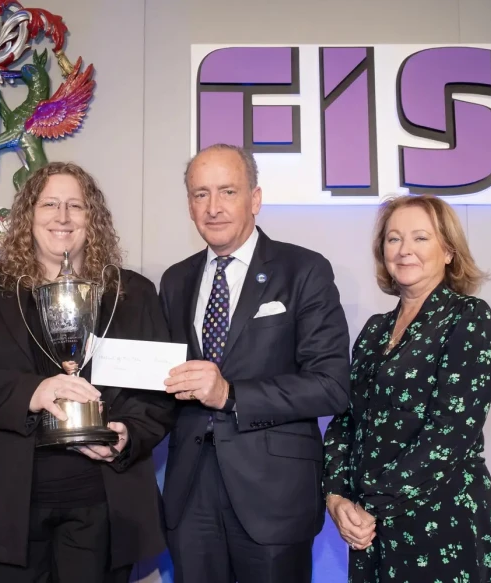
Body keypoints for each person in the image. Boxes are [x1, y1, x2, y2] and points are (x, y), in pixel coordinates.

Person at [0, 162, 176, 583]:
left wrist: (129, 435)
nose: (62, 216)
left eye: (76, 205)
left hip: (103, 506)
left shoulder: (132, 293)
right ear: (28, 214)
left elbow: (159, 393)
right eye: (49, 204)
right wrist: (31, 392)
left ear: (93, 218)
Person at [159, 143, 351, 583]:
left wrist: (231, 395)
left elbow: (332, 385)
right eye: (201, 194)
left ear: (255, 199)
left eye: (227, 191)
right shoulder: (175, 280)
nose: (213, 207)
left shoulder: (304, 270)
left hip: (273, 493)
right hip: (190, 493)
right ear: (189, 205)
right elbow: (164, 380)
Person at [323, 194, 491, 582]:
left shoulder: (468, 317)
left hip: (440, 517)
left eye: (420, 238)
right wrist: (336, 498)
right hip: (368, 528)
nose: (405, 250)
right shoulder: (374, 330)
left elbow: (450, 432)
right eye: (394, 239)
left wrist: (372, 502)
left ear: (449, 251)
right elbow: (346, 418)